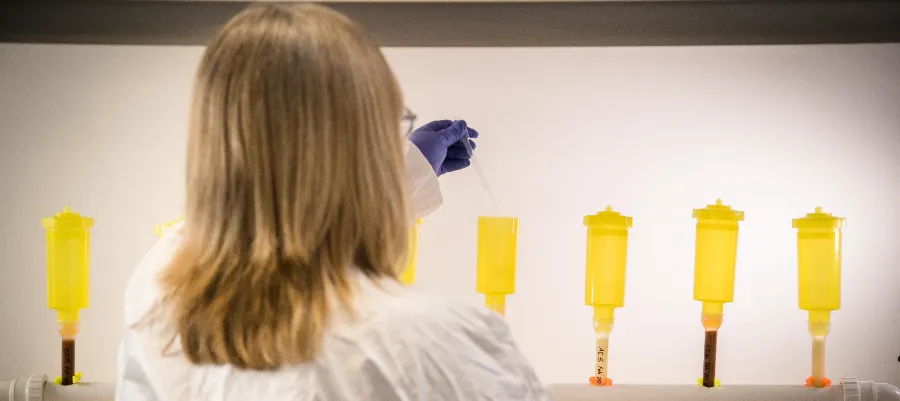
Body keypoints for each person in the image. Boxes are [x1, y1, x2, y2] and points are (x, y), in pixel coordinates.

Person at [115, 4, 551, 401]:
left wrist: (403, 173)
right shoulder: (438, 347)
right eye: (389, 123)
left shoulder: (158, 308)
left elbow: (263, 217)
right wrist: (392, 176)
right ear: (360, 143)